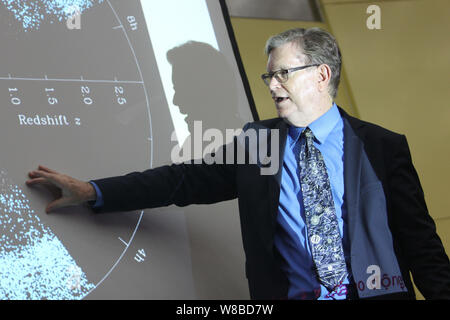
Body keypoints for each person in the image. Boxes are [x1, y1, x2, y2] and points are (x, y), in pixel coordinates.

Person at [26, 27, 450, 300]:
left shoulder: (383, 146)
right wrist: (93, 191)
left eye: (283, 73)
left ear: (322, 76)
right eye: (269, 77)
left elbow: (420, 242)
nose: (273, 85)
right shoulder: (258, 143)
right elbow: (182, 181)